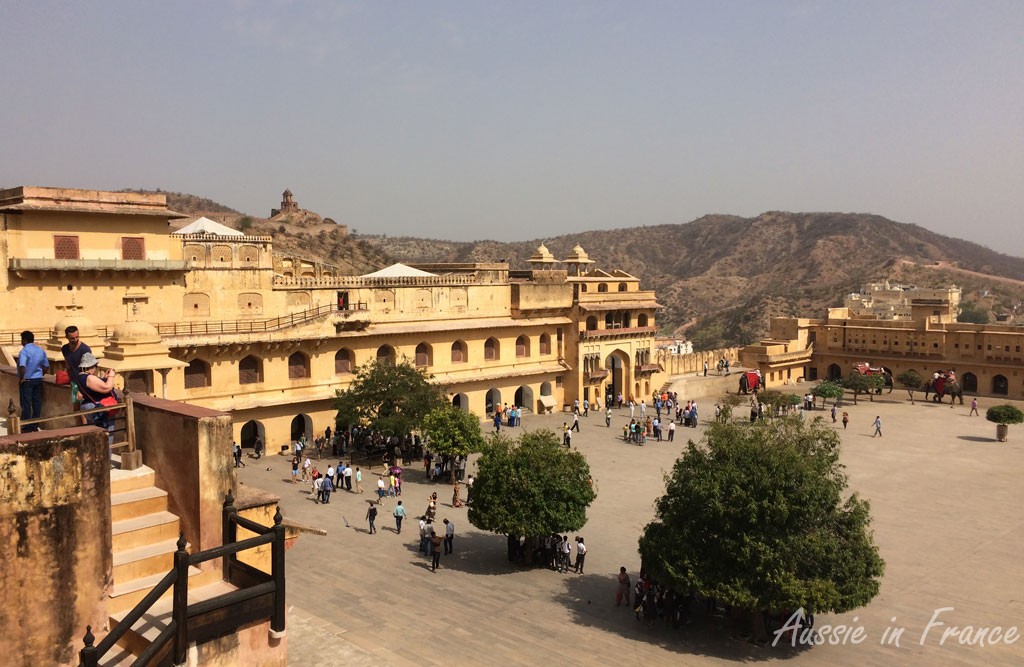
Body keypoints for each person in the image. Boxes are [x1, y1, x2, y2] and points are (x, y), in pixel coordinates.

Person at [76, 351, 117, 441]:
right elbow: (107, 388)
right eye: (95, 367)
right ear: (90, 367)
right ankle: (106, 455)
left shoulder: (80, 377)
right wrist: (111, 376)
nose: (95, 369)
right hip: (98, 409)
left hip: (89, 407)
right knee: (106, 437)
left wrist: (104, 378)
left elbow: (94, 387)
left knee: (95, 437)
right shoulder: (88, 377)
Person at [18, 330, 49, 432]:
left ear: (25, 340)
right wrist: (40, 374)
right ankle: (35, 425)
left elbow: (22, 366)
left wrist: (22, 378)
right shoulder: (40, 350)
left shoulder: (24, 351)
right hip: (38, 379)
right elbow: (46, 366)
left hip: (27, 380)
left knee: (26, 403)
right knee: (36, 403)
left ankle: (27, 426)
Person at [60, 325, 92, 408]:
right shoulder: (65, 349)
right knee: (76, 410)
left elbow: (91, 369)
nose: (75, 340)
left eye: (77, 337)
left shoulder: (85, 350)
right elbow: (68, 366)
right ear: (66, 337)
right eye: (72, 338)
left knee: (84, 412)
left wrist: (82, 389)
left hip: (84, 384)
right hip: (74, 383)